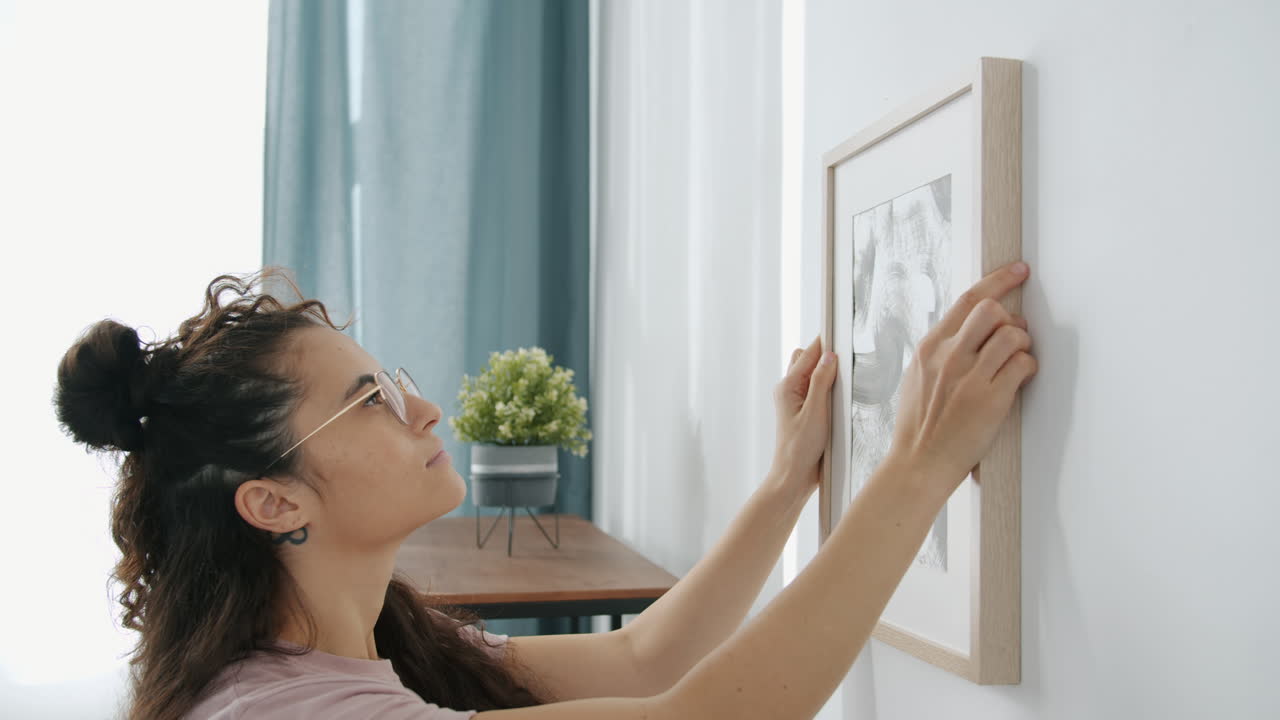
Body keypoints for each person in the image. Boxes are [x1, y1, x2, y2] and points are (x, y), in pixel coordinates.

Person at [54, 261, 1035, 720]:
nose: (425, 411)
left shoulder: (371, 645)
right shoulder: (292, 714)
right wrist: (917, 465)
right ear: (273, 502)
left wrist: (786, 484)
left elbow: (648, 659)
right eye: (369, 402)